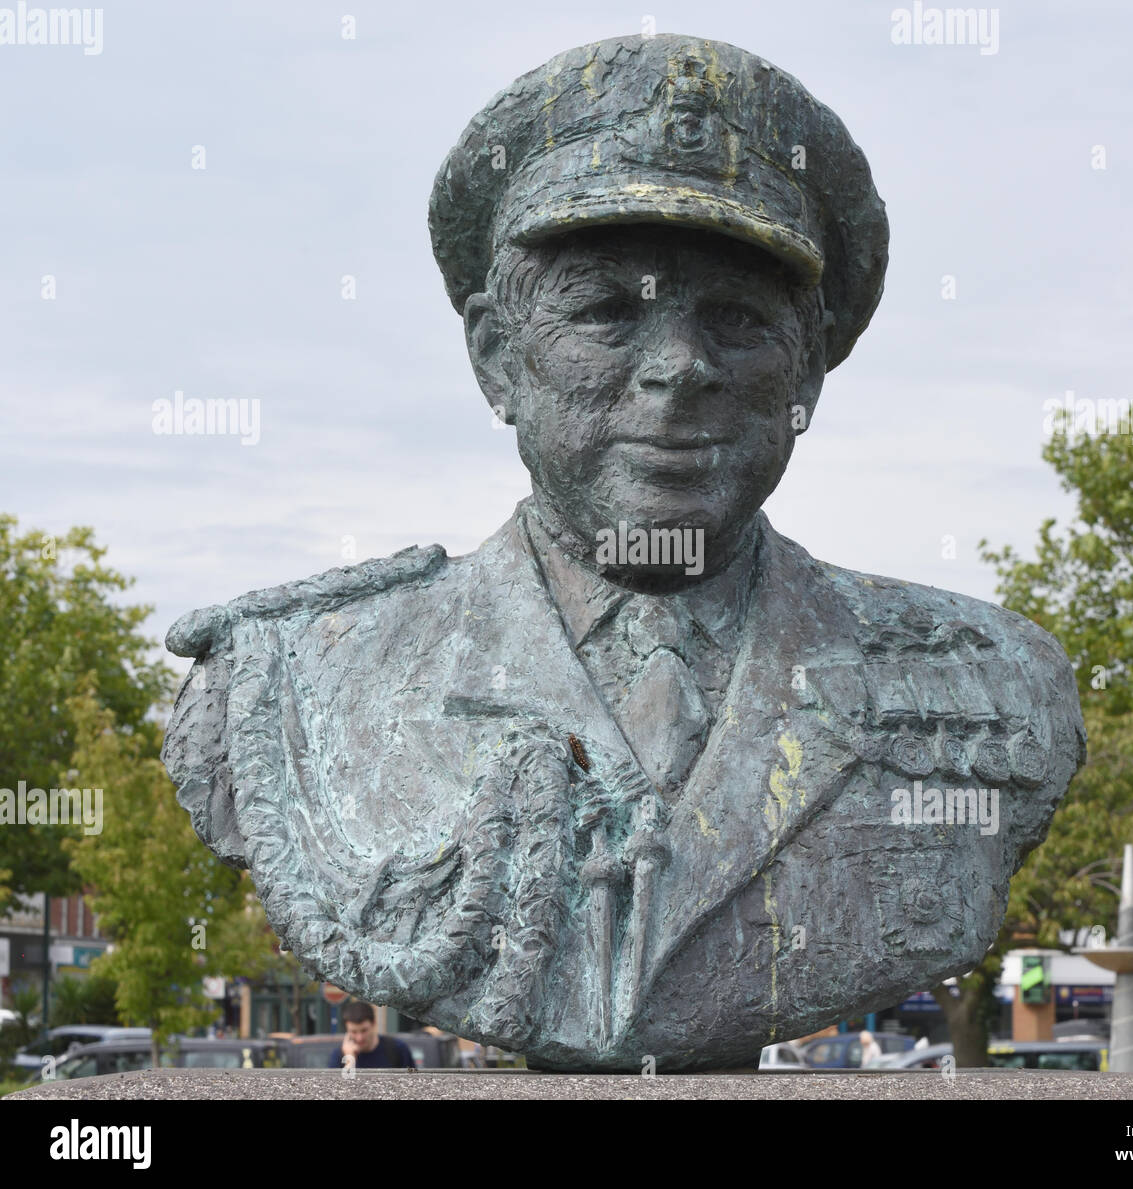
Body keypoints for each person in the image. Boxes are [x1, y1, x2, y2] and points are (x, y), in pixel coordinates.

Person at [162, 32, 1085, 1072]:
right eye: (604, 312)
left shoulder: (989, 689)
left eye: (737, 319)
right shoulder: (287, 686)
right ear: (494, 358)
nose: (679, 369)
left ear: (807, 377)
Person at [328, 1002, 415, 1070]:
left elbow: (412, 1084)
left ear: (374, 1024)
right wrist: (350, 1060)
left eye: (364, 1030)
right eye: (354, 1032)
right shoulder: (339, 1056)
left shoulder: (397, 1049)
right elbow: (338, 1090)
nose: (360, 1038)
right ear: (347, 1031)